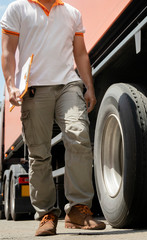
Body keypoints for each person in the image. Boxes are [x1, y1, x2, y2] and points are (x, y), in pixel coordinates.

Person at [1, 0, 106, 236]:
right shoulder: (18, 9)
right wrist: (10, 87)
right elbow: (7, 50)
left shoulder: (71, 13)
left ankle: (78, 210)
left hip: (68, 85)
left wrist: (89, 86)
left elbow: (80, 52)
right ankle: (46, 214)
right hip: (35, 89)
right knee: (39, 154)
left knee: (79, 137)